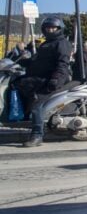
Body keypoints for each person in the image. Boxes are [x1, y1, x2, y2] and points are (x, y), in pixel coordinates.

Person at [14, 17, 73, 147]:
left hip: (50, 80)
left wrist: (55, 80)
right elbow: (37, 61)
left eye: (53, 28)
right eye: (47, 28)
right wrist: (21, 60)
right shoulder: (47, 43)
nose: (50, 30)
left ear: (59, 29)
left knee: (36, 103)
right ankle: (24, 119)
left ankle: (37, 135)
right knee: (18, 86)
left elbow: (62, 64)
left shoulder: (61, 43)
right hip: (39, 78)